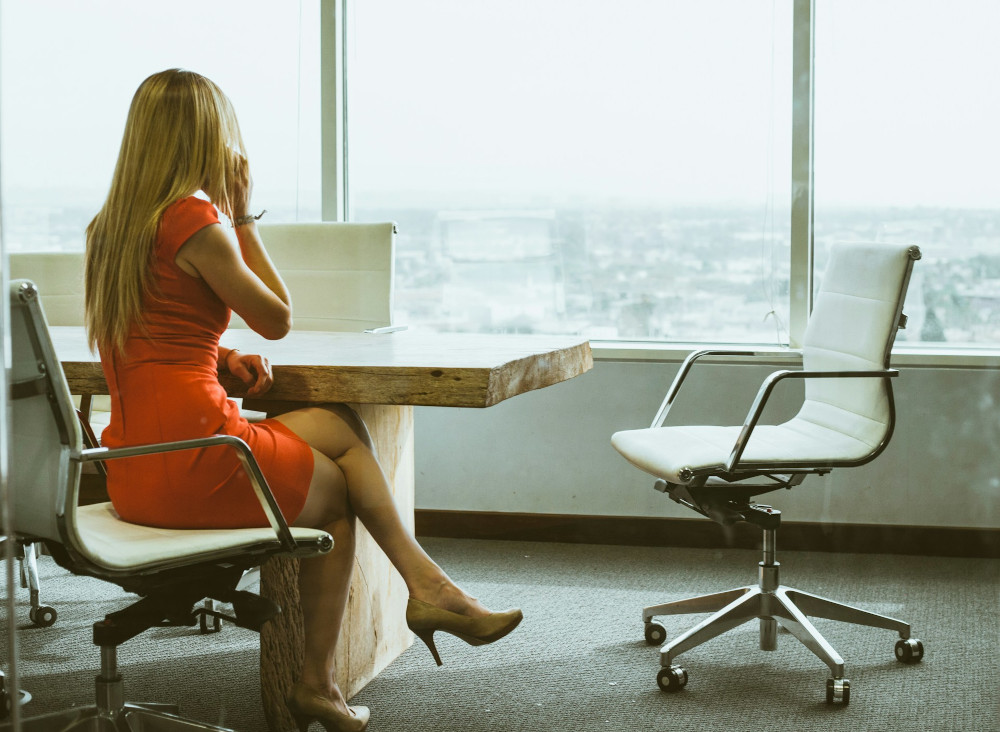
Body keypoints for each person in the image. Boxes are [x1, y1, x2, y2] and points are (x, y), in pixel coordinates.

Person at [83, 68, 521, 732]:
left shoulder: (107, 230)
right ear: (205, 136)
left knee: (340, 428)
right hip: (200, 459)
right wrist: (241, 216)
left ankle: (428, 588)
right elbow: (277, 318)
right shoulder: (196, 220)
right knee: (340, 500)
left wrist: (222, 360)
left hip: (135, 465)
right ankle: (320, 681)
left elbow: (143, 339)